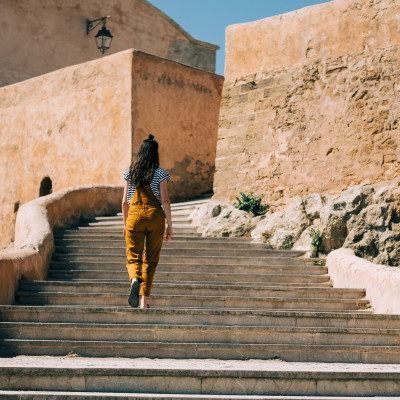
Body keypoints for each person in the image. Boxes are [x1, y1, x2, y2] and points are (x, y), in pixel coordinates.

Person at [122, 134, 173, 309]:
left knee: (133, 256)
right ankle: (144, 302)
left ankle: (135, 279)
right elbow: (165, 200)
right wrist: (170, 226)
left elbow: (124, 202)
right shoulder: (160, 173)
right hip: (155, 217)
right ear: (155, 153)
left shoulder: (130, 172)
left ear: (140, 153)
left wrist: (125, 223)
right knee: (151, 261)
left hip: (134, 217)